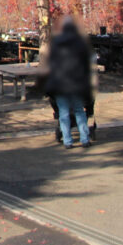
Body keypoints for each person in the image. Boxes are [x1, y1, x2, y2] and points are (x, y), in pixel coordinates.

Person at [45, 16, 93, 148]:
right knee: (79, 111)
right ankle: (85, 139)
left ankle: (67, 141)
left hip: (61, 85)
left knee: (64, 113)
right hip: (76, 85)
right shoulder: (79, 44)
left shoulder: (55, 44)